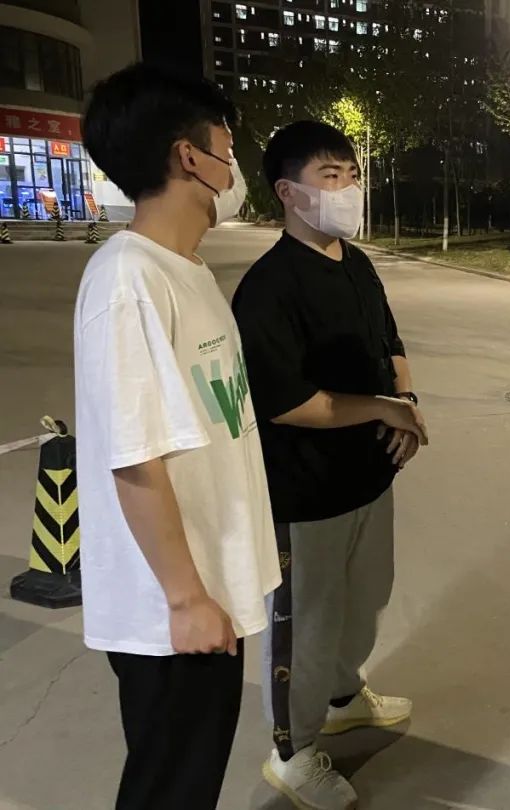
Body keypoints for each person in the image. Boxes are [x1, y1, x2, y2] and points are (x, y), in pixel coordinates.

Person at [74, 64, 280, 809]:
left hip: (206, 589)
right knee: (170, 792)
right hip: (171, 613)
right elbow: (135, 458)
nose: (235, 166)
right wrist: (187, 598)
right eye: (227, 147)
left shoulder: (183, 270)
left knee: (189, 783)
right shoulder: (128, 281)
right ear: (189, 157)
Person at [231, 120, 429, 809]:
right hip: (306, 493)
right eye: (330, 176)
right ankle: (292, 752)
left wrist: (404, 403)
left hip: (369, 478)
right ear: (288, 192)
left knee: (366, 601)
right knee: (307, 626)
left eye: (352, 174)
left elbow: (391, 344)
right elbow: (287, 403)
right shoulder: (269, 287)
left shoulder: (357, 262)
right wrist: (385, 410)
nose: (348, 189)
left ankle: (344, 697)